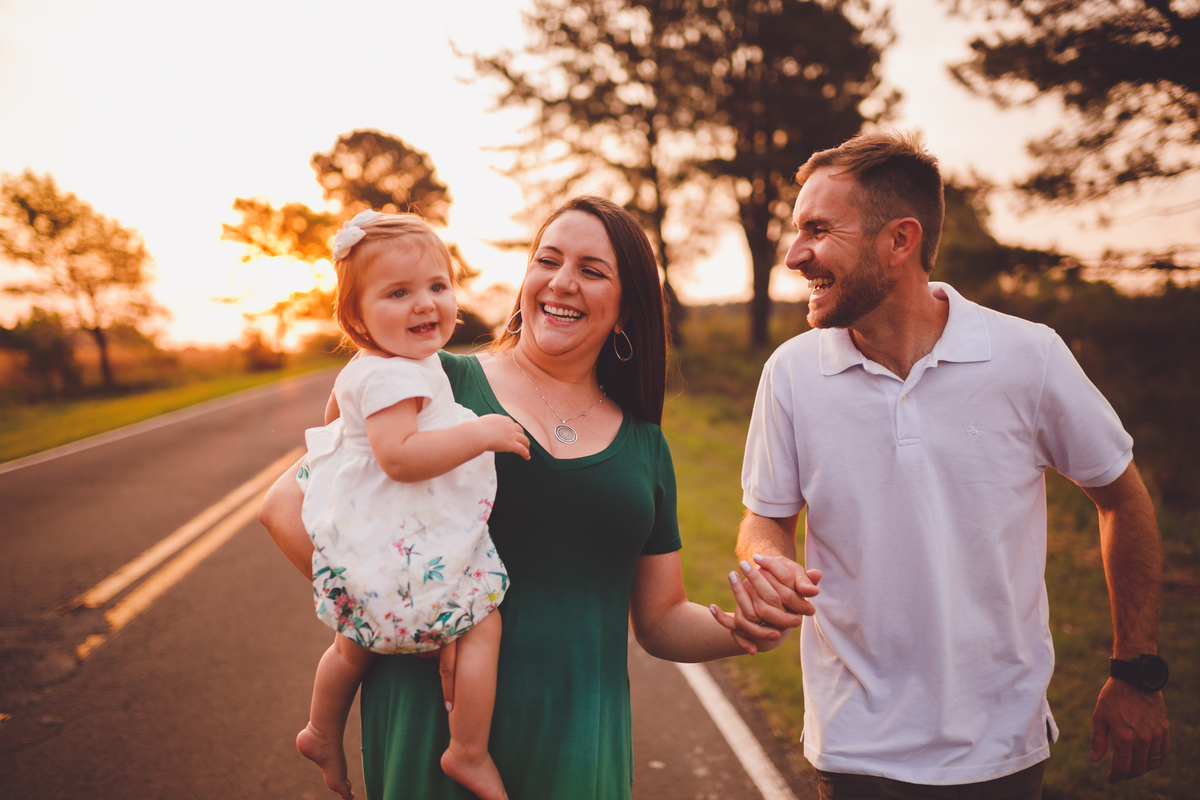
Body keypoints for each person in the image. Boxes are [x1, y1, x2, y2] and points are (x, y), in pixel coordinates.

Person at [260, 196, 781, 800]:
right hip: (434, 726)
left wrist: (742, 629)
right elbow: (285, 508)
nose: (561, 282)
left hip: (580, 737)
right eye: (548, 260)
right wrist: (417, 621)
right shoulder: (428, 377)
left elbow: (661, 620)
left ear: (627, 308)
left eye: (591, 270)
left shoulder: (645, 447)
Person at [713, 131, 1169, 798]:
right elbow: (766, 517)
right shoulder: (790, 374)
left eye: (817, 229)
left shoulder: (1028, 356)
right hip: (852, 744)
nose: (792, 256)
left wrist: (1136, 669)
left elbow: (1123, 501)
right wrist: (766, 562)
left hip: (1001, 748)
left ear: (900, 240)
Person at [292, 210, 530, 800]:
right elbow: (399, 457)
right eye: (398, 292)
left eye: (437, 286)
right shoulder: (396, 376)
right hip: (408, 544)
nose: (425, 304)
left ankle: (322, 729)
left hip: (369, 541)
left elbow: (336, 429)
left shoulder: (370, 368)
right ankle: (468, 751)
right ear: (356, 316)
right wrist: (483, 433)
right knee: (481, 621)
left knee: (351, 644)